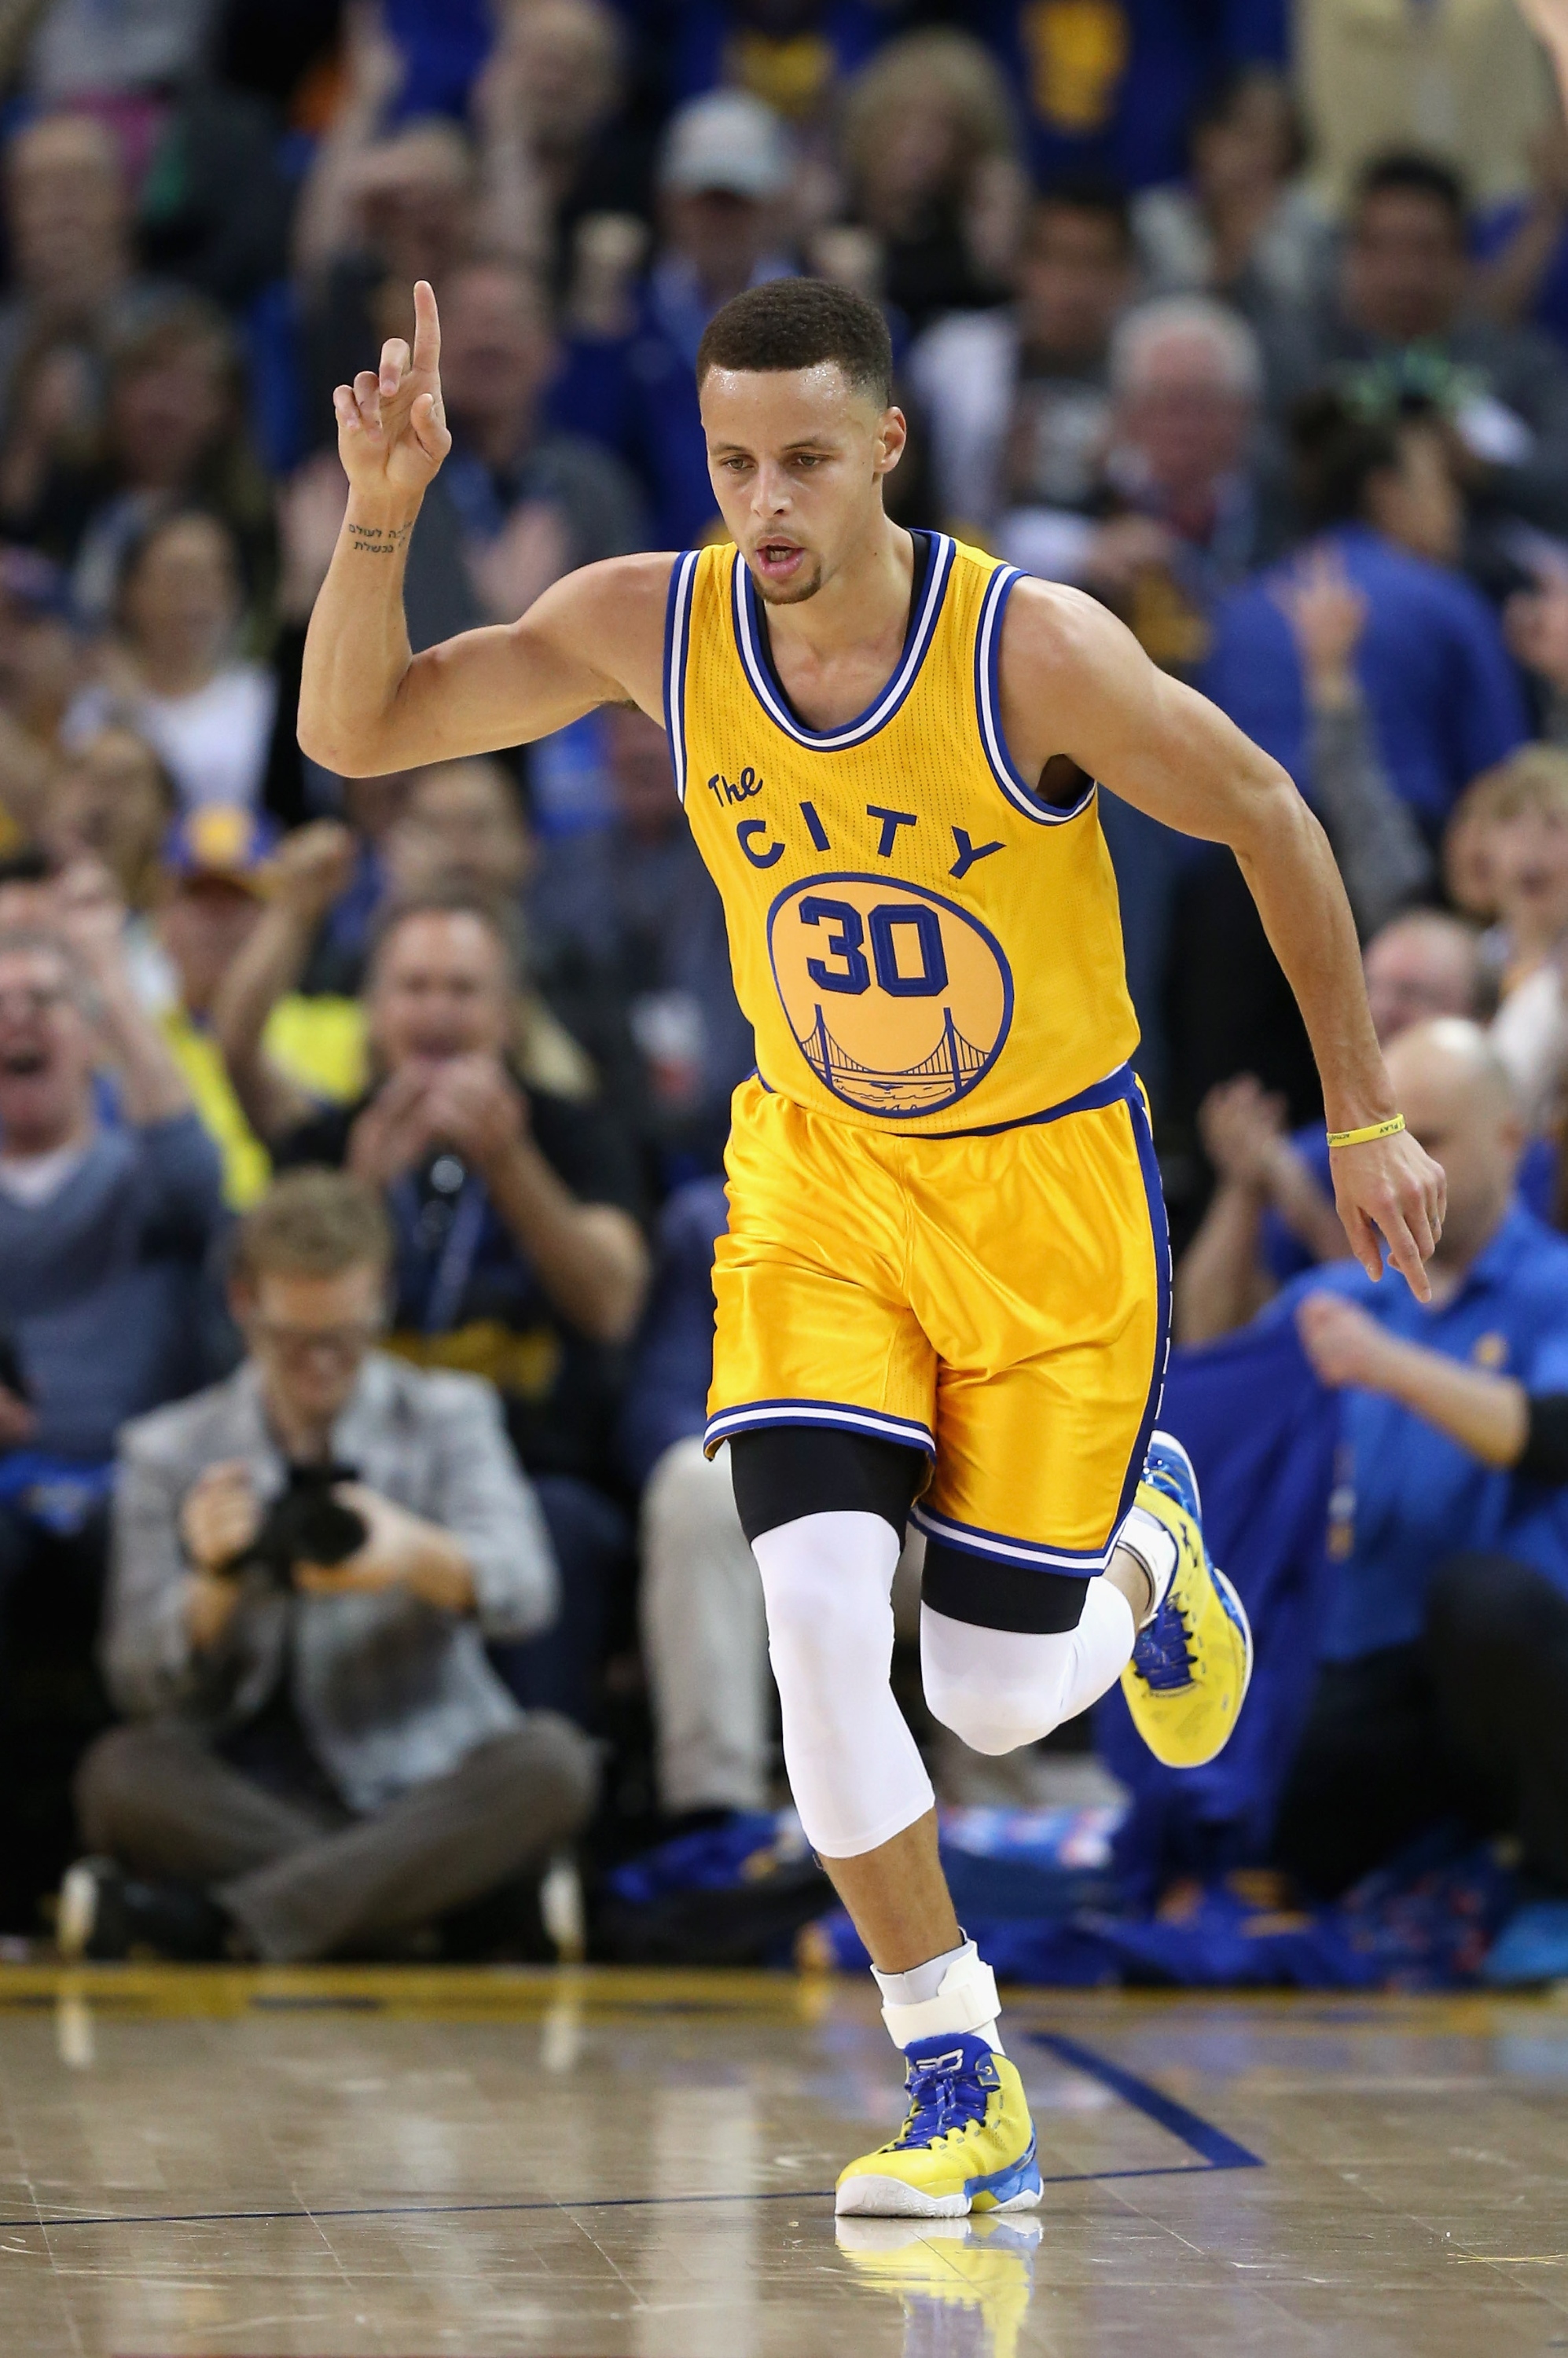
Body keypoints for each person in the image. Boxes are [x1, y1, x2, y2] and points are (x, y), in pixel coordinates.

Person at [296, 272, 1441, 2217]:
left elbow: (1267, 811)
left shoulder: (1033, 649)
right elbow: (364, 727)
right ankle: (953, 2057)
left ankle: (1152, 1542)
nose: (766, 501)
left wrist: (1363, 1103)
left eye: (806, 458)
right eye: (734, 460)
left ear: (888, 448)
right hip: (820, 1173)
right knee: (818, 1623)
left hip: (1049, 1192)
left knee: (991, 1691)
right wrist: (384, 509)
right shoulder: (654, 620)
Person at [64, 1167, 596, 1963]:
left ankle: (229, 1924)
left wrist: (414, 1553)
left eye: (344, 1340)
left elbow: (528, 1592)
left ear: (380, 1299)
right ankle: (426, 1910)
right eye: (294, 1341)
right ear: (245, 1305)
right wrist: (211, 1587)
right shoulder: (168, 1450)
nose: (320, 1365)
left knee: (555, 1764)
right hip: (255, 1781)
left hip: (422, 1770)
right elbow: (134, 1681)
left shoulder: (449, 1414)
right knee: (119, 1776)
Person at [218, 884, 648, 1728]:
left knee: (562, 1525)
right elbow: (266, 1321)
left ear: (509, 1013)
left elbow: (612, 1305)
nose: (437, 1011)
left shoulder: (572, 1131)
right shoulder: (326, 1143)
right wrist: (362, 1196)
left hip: (536, 1471)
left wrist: (511, 1164)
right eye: (414, 988)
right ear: (374, 1010)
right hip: (355, 1460)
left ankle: (534, 1800)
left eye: (462, 990)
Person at [1271, 1019, 1568, 1980]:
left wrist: (1388, 1367)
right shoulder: (1330, 1300)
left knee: (1484, 1601)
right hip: (1379, 1674)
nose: (1404, 1166)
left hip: (1530, 1679)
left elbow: (1549, 1433)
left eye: (1430, 1137)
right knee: (1277, 1788)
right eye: (1380, 1137)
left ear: (1510, 1142)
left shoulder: (1555, 1286)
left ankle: (1557, 1887)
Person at [1201, 394, 1529, 846]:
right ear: (1387, 493)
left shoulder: (1236, 611)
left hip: (1237, 873)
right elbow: (1502, 782)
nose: (1456, 507)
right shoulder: (1447, 602)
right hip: (1405, 868)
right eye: (1442, 485)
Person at [1177, 912, 1485, 1343]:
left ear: (1480, 1018)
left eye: (1412, 993)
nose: (1380, 1011)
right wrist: (1244, 1183)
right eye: (1369, 989)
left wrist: (1297, 1195)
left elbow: (1428, 1306)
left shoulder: (1498, 1147)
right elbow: (1207, 1331)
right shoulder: (1319, 1151)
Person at [908, 181, 1137, 547]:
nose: (1075, 284)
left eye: (1095, 262)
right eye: (1058, 258)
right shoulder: (952, 358)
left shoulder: (1157, 369)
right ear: (1024, 266)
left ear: (1127, 276)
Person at [64, 509, 278, 811]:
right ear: (132, 591)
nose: (197, 596)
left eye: (216, 575)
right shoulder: (94, 705)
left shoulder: (264, 698)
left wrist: (133, 716)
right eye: (179, 576)